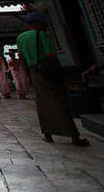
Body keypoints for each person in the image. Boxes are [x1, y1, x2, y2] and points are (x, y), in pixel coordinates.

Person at [16, 12, 89, 146]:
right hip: (47, 69)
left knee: (42, 103)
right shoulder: (42, 35)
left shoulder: (21, 37)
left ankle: (48, 134)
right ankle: (73, 136)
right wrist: (59, 72)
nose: (46, 25)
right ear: (38, 23)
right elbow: (51, 56)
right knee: (59, 100)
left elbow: (21, 59)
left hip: (33, 71)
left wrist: (26, 75)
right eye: (44, 22)